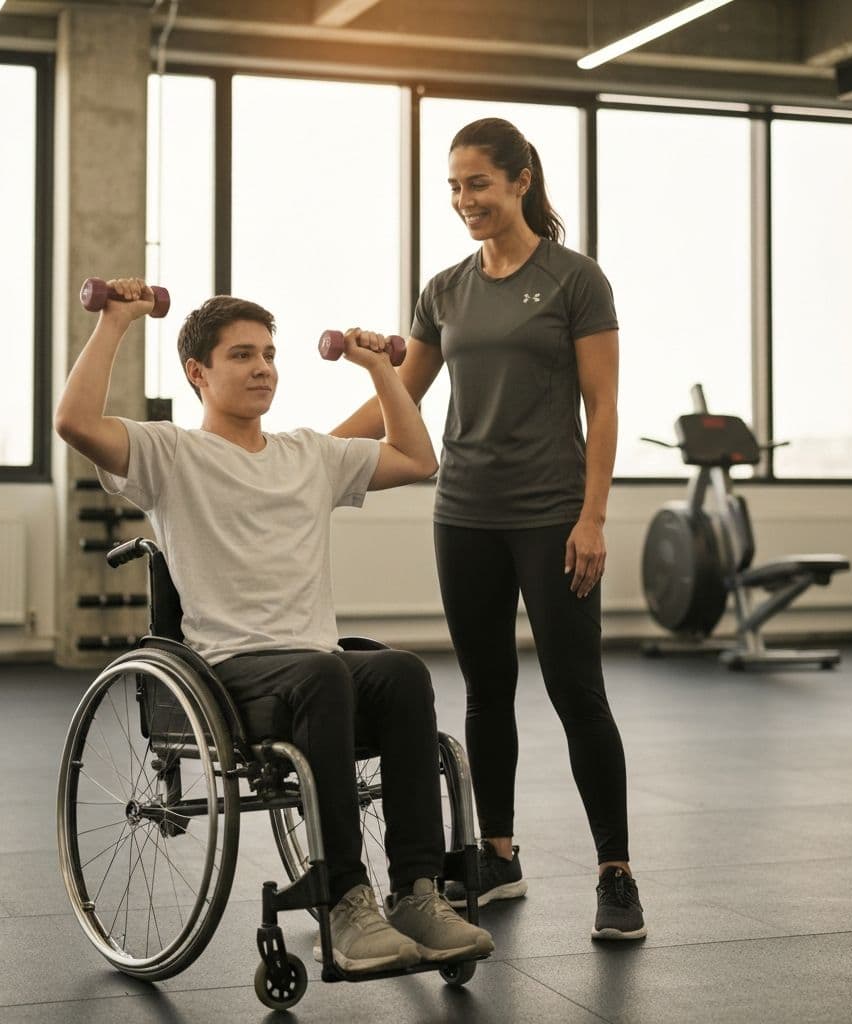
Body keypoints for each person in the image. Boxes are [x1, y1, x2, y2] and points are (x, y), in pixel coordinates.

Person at [54, 283, 494, 974]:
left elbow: (417, 458)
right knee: (322, 674)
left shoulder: (309, 454)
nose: (263, 367)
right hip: (231, 675)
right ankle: (346, 903)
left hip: (313, 664)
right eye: (241, 355)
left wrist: (381, 368)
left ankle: (417, 892)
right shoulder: (170, 455)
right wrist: (116, 321)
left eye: (269, 354)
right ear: (198, 371)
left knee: (402, 672)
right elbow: (76, 422)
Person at [334, 117, 646, 941]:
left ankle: (615, 872)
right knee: (486, 690)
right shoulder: (445, 289)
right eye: (453, 186)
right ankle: (499, 854)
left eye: (477, 183)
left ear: (520, 180)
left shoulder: (577, 279)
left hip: (552, 516)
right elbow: (403, 394)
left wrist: (593, 515)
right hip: (465, 512)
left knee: (577, 691)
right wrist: (309, 453)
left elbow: (603, 405)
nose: (463, 200)